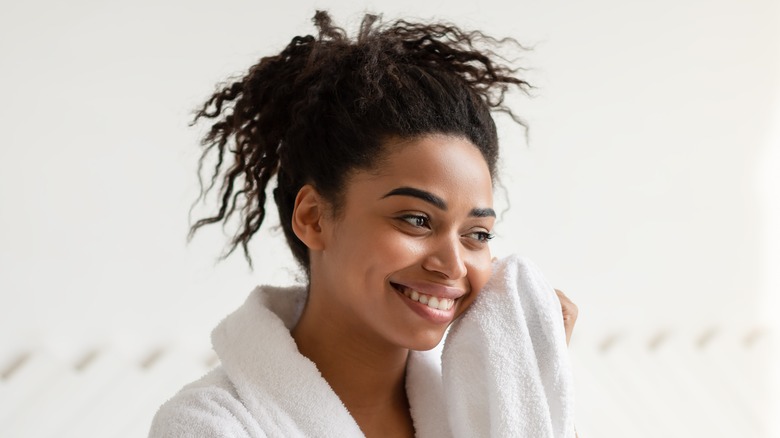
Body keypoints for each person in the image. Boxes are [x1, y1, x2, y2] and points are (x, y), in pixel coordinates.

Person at [149, 11, 578, 437]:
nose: (454, 265)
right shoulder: (211, 425)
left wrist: (531, 386)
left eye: (477, 235)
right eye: (416, 220)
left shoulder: (477, 413)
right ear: (313, 218)